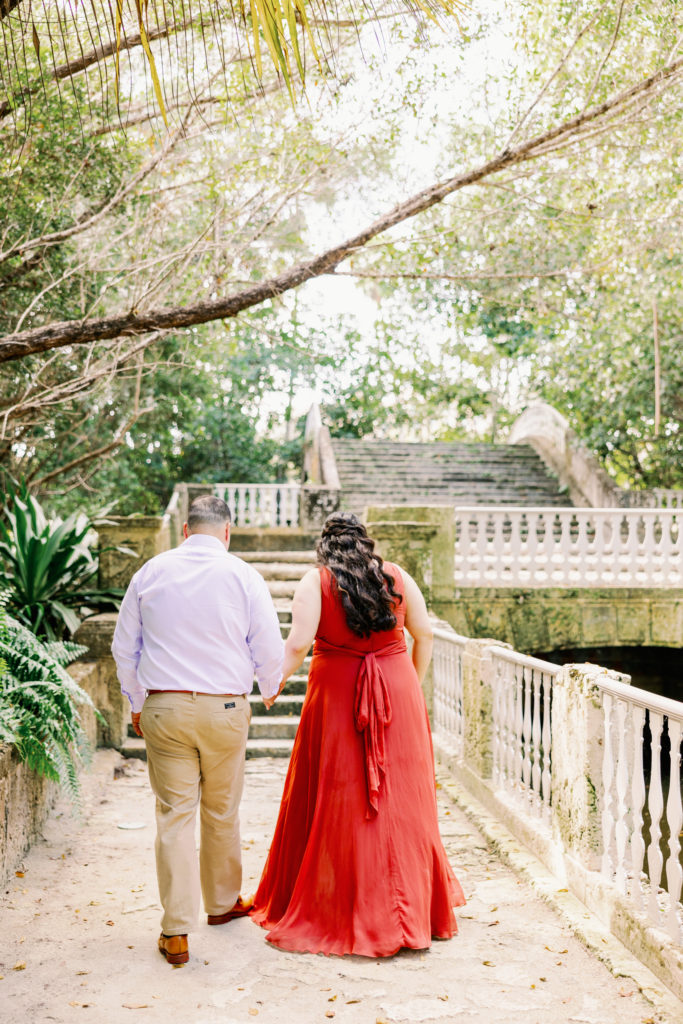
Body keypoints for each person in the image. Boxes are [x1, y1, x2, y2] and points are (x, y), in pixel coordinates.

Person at [251, 511, 465, 957]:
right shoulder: (398, 576)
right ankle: (410, 909)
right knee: (402, 800)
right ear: (365, 542)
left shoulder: (317, 581)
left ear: (325, 546)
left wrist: (272, 685)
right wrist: (408, 685)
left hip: (336, 695)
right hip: (397, 691)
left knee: (339, 798)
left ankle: (345, 906)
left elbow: (298, 643)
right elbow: (423, 634)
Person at [111, 495, 284, 965]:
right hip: (225, 708)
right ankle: (223, 903)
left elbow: (124, 645)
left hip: (164, 707)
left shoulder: (150, 572)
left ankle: (176, 931)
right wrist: (268, 686)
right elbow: (268, 641)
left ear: (186, 530)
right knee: (222, 810)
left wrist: (136, 700)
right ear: (226, 533)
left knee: (174, 815)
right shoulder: (243, 575)